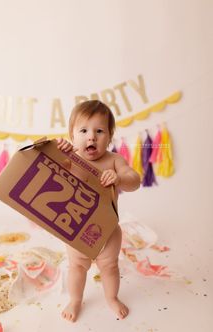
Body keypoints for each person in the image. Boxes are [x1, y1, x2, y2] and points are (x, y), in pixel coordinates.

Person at [56, 100, 140, 322]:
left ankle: (112, 298)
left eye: (99, 131)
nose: (91, 137)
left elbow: (135, 180)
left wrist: (119, 177)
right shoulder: (69, 160)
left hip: (108, 231)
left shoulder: (114, 161)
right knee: (76, 267)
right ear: (72, 136)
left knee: (110, 267)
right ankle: (75, 300)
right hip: (75, 228)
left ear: (110, 136)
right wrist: (58, 153)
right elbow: (48, 170)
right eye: (83, 131)